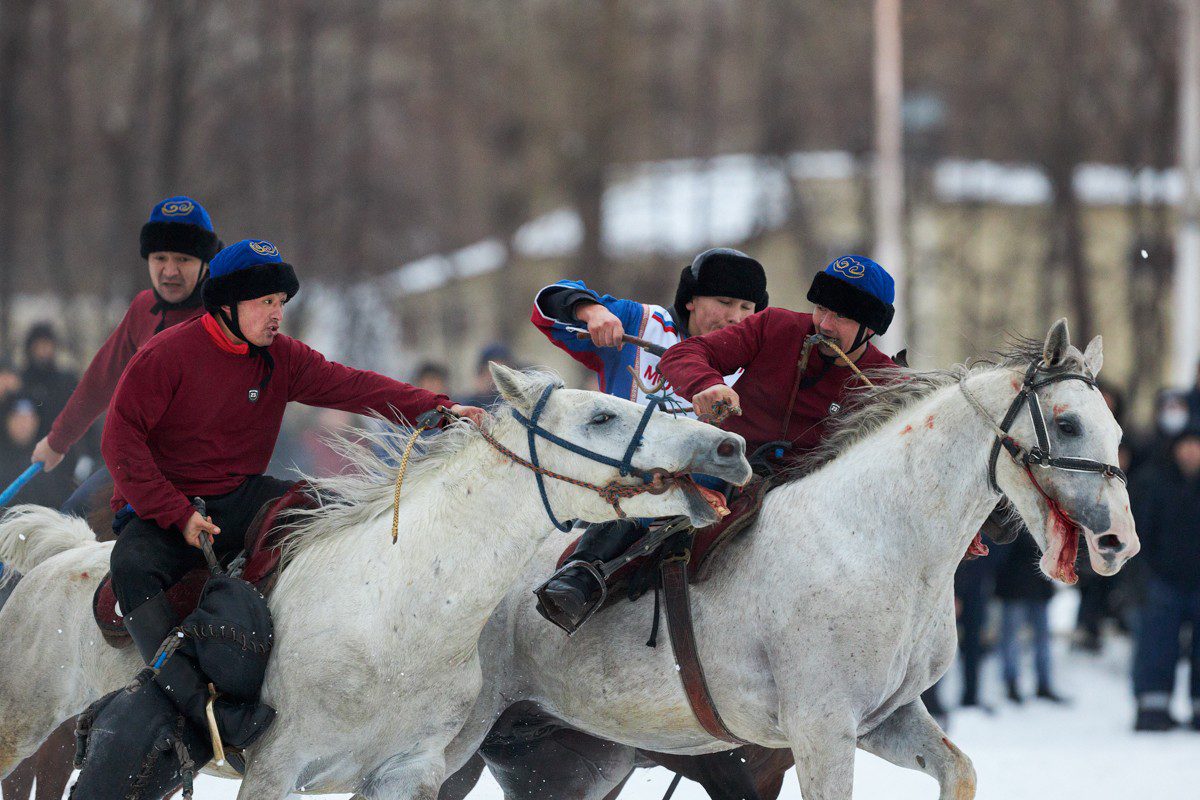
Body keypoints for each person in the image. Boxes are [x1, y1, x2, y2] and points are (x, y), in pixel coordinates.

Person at [101, 238, 485, 751]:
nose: (277, 314)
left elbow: (355, 386)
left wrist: (439, 409)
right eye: (265, 302)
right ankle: (196, 705)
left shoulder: (281, 358)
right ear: (228, 304)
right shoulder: (166, 355)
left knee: (323, 508)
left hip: (239, 494)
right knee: (132, 566)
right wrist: (175, 513)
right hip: (163, 507)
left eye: (281, 302)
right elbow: (119, 440)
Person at [532, 247, 769, 629]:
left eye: (747, 307)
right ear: (691, 300)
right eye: (724, 302)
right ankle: (580, 575)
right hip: (621, 488)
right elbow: (547, 305)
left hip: (709, 492)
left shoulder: (757, 359)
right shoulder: (642, 325)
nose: (735, 317)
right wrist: (591, 311)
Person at [30, 196, 222, 514]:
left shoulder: (226, 314)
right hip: (138, 464)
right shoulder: (143, 308)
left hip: (204, 476)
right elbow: (99, 381)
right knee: (70, 519)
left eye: (183, 259)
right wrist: (57, 441)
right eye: (160, 257)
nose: (169, 271)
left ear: (206, 261)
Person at [1130, 422, 1200, 731]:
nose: (1191, 451)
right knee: (1156, 647)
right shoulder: (1153, 481)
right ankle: (1153, 709)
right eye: (1186, 444)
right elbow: (1139, 533)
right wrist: (1142, 578)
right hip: (1162, 581)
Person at [994, 532, 1068, 704]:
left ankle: (1043, 684)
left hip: (1038, 586)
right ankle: (1011, 683)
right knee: (1011, 638)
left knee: (1042, 639)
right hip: (1013, 585)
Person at [20, 322, 76, 442]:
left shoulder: (67, 380)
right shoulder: (21, 381)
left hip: (63, 448)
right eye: (38, 346)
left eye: (47, 345)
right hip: (30, 449)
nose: (43, 351)